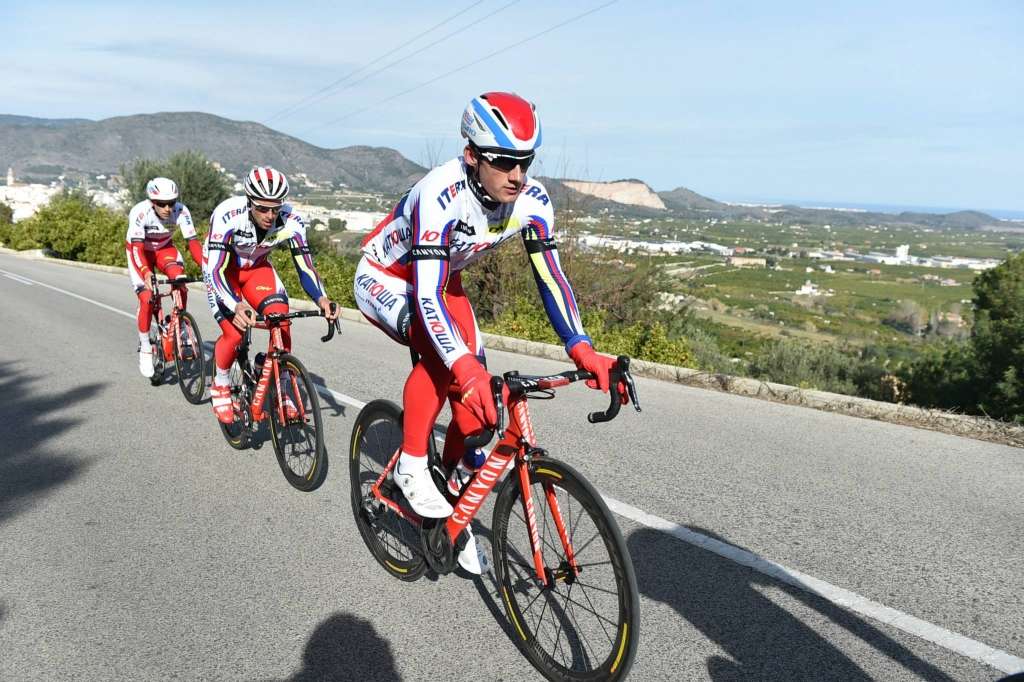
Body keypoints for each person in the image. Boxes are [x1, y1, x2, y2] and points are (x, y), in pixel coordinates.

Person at [354, 92, 624, 574]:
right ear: (472, 156)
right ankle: (413, 463)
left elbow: (552, 278)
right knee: (440, 354)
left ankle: (453, 507)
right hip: (388, 277)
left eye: (525, 162)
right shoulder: (440, 194)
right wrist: (460, 365)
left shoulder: (532, 201)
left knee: (478, 411)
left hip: (441, 280)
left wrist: (582, 347)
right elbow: (427, 297)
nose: (517, 176)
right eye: (503, 162)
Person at [203, 166, 338, 424]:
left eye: (275, 208)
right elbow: (215, 270)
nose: (270, 215)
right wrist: (235, 304)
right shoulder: (228, 214)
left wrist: (322, 298)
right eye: (262, 208)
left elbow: (305, 266)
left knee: (281, 320)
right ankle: (220, 383)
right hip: (223, 271)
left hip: (257, 270)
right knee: (234, 333)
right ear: (250, 202)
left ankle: (279, 382)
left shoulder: (292, 221)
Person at [126, 177, 203, 378]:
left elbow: (193, 243)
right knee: (147, 298)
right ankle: (144, 346)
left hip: (164, 249)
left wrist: (206, 267)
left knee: (180, 280)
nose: (168, 208)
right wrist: (145, 271)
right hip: (140, 252)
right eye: (162, 204)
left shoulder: (182, 211)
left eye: (171, 203)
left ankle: (180, 326)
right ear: (152, 202)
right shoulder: (140, 212)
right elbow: (136, 248)